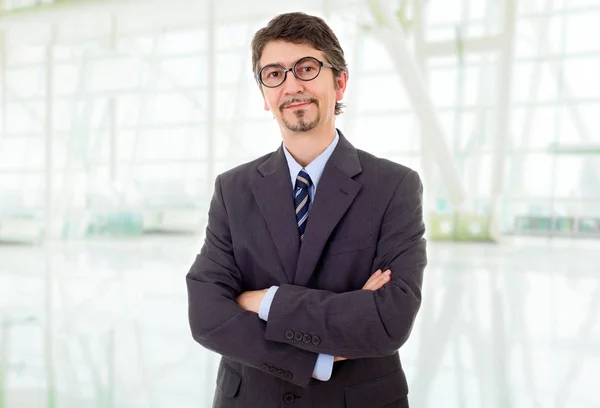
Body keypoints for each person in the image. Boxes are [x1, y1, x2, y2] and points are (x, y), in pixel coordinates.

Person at [186, 12, 427, 408]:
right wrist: (320, 355)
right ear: (265, 95)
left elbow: (389, 320)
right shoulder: (233, 189)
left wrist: (262, 301)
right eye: (274, 74)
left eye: (307, 68)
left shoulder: (394, 187)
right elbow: (207, 315)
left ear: (340, 82)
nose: (292, 85)